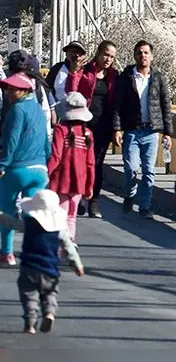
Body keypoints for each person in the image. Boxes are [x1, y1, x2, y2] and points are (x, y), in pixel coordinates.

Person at [0, 73, 51, 267]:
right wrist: (46, 162)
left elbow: (12, 141)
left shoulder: (17, 110)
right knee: (32, 213)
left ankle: (7, 253)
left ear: (25, 91)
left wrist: (2, 165)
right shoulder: (39, 111)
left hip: (18, 168)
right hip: (39, 169)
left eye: (12, 89)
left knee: (7, 210)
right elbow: (46, 141)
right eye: (7, 88)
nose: (8, 92)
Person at [112, 40, 171, 219]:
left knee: (149, 171)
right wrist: (117, 129)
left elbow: (165, 106)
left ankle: (145, 206)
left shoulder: (158, 78)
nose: (142, 56)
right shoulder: (126, 77)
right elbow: (117, 105)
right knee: (130, 168)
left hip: (151, 131)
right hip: (132, 130)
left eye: (146, 52)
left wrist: (167, 133)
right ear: (135, 56)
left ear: (151, 56)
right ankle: (130, 194)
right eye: (139, 53)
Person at [13, 190, 84, 335]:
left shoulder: (29, 224)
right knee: (50, 294)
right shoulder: (59, 229)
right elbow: (69, 247)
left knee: (29, 296)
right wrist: (77, 264)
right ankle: (49, 313)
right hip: (50, 269)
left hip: (29, 267)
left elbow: (12, 223)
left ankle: (30, 324)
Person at [65, 40, 118, 219]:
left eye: (112, 56)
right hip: (84, 125)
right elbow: (71, 92)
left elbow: (117, 103)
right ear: (98, 53)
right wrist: (73, 73)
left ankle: (94, 201)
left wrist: (116, 128)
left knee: (97, 164)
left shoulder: (113, 76)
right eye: (106, 54)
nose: (108, 59)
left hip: (103, 127)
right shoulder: (85, 71)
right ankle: (79, 196)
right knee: (80, 163)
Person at [46, 92, 95, 242]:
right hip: (79, 181)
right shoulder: (87, 134)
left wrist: (46, 174)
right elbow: (90, 163)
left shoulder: (61, 130)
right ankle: (71, 242)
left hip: (61, 180)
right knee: (72, 216)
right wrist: (90, 185)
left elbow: (56, 156)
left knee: (61, 215)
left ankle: (64, 247)